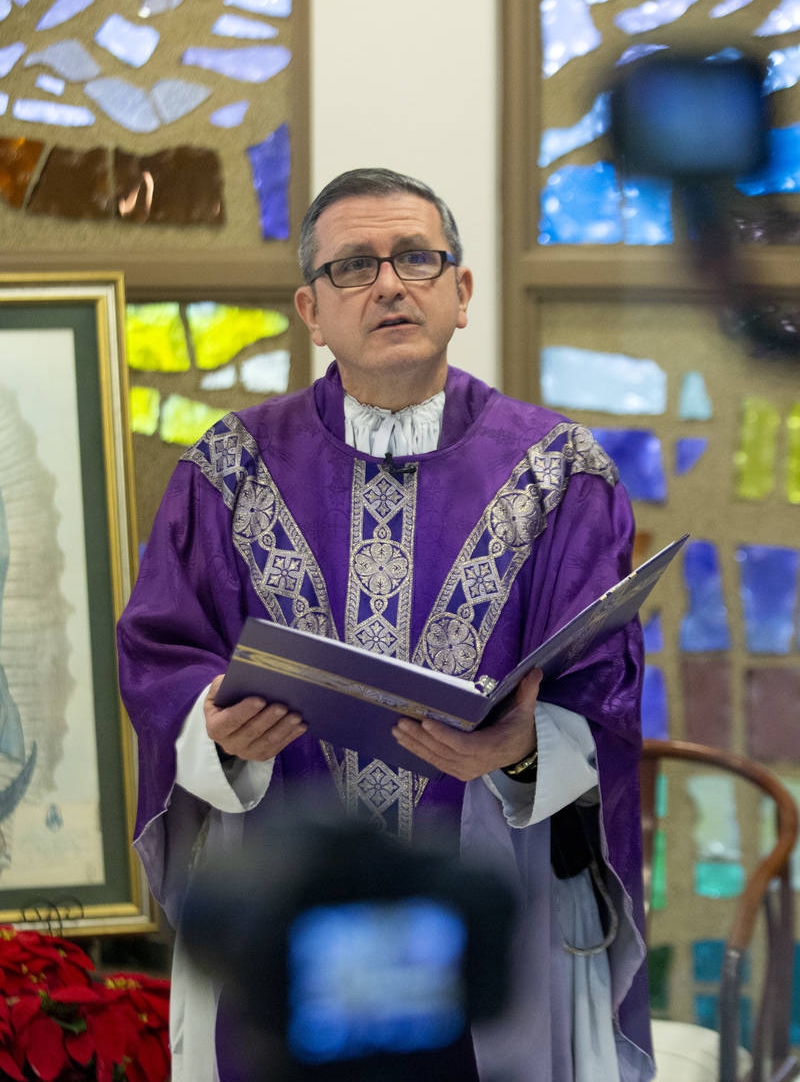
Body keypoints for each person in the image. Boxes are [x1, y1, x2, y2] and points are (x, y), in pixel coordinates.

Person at [117, 167, 654, 1082]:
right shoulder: (228, 469)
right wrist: (216, 731)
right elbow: (159, 656)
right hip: (278, 915)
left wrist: (524, 749)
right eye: (353, 267)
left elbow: (603, 691)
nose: (390, 284)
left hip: (496, 909)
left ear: (461, 290)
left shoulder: (562, 475)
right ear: (310, 310)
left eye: (416, 258)